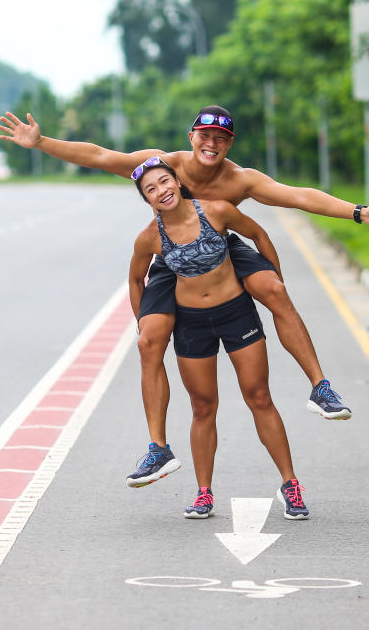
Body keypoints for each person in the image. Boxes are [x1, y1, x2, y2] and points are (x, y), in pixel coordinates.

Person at [0, 105, 369, 487]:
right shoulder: (164, 164)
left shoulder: (239, 180)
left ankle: (320, 387)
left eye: (221, 139)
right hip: (172, 257)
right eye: (205, 136)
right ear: (191, 136)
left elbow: (297, 195)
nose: (211, 144)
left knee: (274, 289)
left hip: (223, 246)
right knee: (149, 339)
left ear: (229, 145)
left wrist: (357, 212)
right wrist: (42, 143)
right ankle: (158, 448)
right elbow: (102, 156)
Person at [128, 156, 309, 519]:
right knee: (202, 407)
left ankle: (291, 485)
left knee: (259, 397)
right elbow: (136, 280)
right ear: (146, 200)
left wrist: (274, 277)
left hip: (235, 313)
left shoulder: (217, 210)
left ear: (177, 182)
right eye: (150, 189)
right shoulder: (150, 237)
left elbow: (258, 234)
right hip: (192, 324)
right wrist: (142, 321)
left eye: (164, 182)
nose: (161, 191)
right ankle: (204, 493)